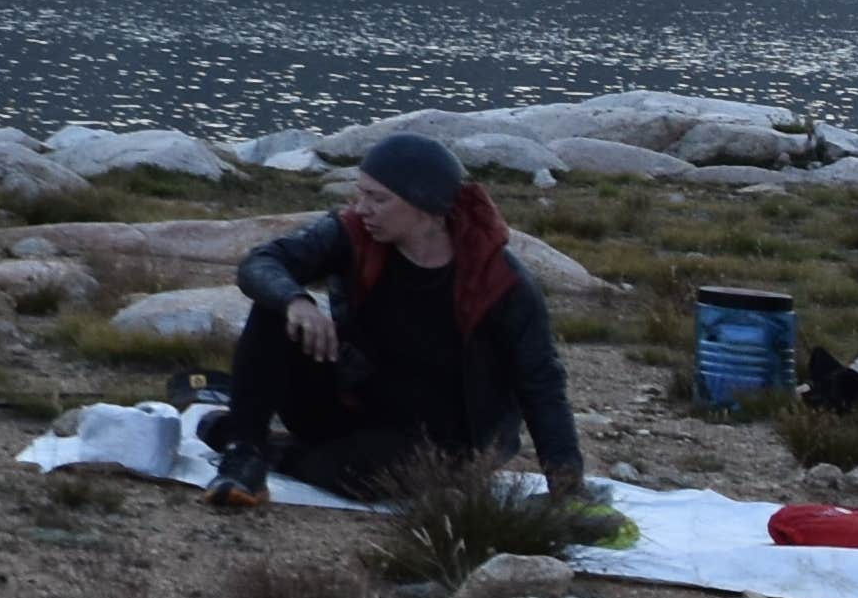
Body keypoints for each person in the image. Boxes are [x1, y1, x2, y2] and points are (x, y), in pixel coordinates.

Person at [207, 128, 586, 510]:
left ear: (427, 209)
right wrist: (296, 301)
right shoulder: (353, 234)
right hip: (349, 402)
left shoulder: (499, 281)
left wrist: (566, 485)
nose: (361, 208)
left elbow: (541, 381)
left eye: (378, 198)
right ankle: (245, 454)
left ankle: (271, 449)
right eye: (360, 194)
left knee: (358, 474)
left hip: (440, 440)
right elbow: (261, 263)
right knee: (275, 309)